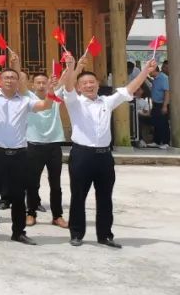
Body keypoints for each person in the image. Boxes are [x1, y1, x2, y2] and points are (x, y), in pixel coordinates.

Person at [61, 50, 155, 248]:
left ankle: (105, 236)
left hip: (104, 157)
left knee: (105, 197)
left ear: (97, 84)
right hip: (82, 156)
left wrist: (145, 71)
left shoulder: (107, 101)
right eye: (84, 83)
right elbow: (67, 86)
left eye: (92, 82)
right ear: (79, 87)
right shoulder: (74, 102)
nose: (89, 85)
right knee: (78, 196)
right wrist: (70, 67)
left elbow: (129, 89)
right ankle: (76, 234)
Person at [0, 54, 55, 245]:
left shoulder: (25, 101)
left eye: (13, 78)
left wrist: (50, 90)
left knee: (18, 195)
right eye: (6, 77)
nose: (9, 80)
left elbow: (45, 105)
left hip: (19, 155)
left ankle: (18, 232)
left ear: (19, 82)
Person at [25, 72, 68, 229]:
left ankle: (57, 216)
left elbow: (65, 78)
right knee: (32, 183)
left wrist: (71, 66)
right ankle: (31, 213)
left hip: (54, 146)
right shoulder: (28, 98)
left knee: (55, 183)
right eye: (38, 82)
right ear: (33, 85)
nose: (41, 85)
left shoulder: (55, 96)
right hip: (33, 145)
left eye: (44, 82)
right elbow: (21, 81)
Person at [150, 60, 170, 148]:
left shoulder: (163, 78)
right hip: (155, 104)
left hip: (162, 104)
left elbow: (167, 92)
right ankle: (156, 141)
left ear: (154, 70)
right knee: (156, 123)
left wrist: (165, 106)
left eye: (150, 70)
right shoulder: (155, 79)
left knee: (163, 123)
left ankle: (166, 142)